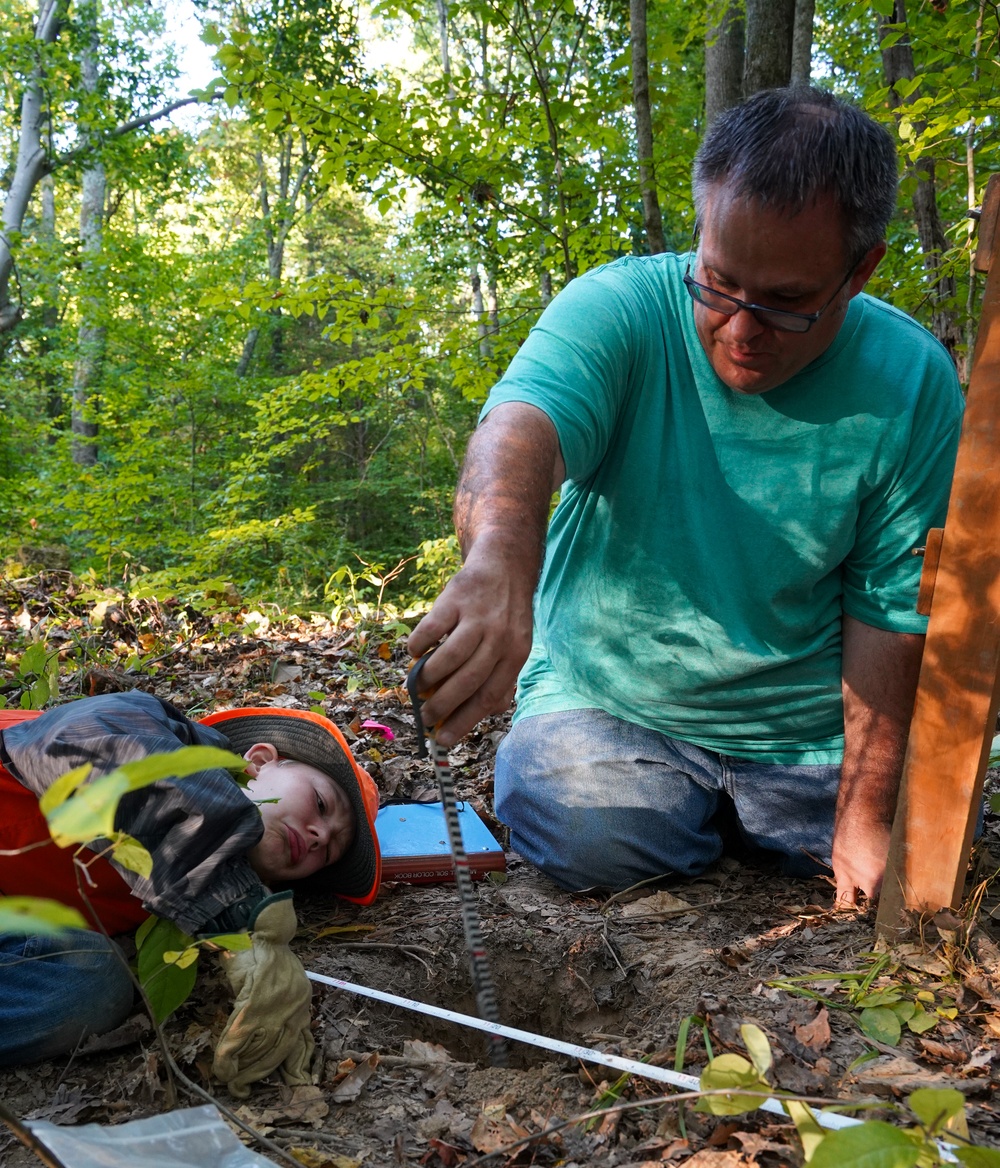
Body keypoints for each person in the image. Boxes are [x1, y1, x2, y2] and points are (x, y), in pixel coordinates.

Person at [407, 86, 965, 908]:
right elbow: (522, 427)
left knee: (942, 829)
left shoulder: (911, 382)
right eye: (719, 282)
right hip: (611, 708)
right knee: (577, 818)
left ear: (861, 270)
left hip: (806, 737)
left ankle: (733, 826)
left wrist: (864, 810)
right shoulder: (621, 309)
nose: (740, 329)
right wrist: (499, 561)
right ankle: (703, 826)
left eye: (785, 302)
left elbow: (892, 610)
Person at [0, 689, 381, 1096]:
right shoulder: (147, 725)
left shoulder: (178, 900)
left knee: (91, 983)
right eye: (320, 803)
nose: (320, 835)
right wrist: (239, 911)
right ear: (258, 761)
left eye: (330, 850)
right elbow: (108, 749)